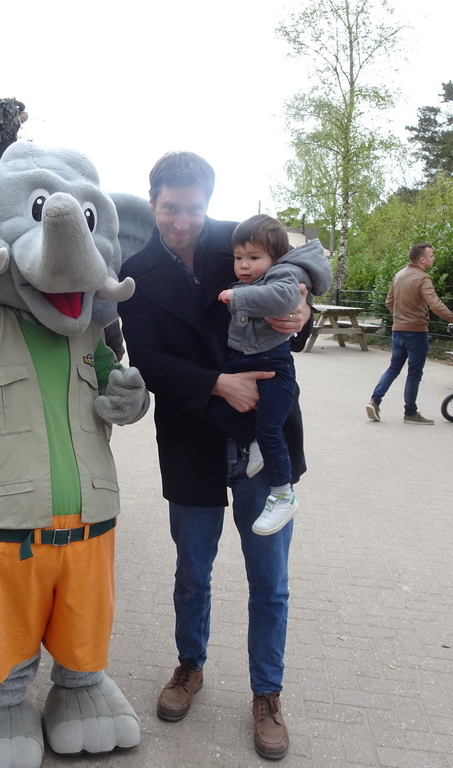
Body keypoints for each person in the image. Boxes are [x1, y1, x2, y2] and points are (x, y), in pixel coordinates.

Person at [118, 151, 312, 761]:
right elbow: (147, 358)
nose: (181, 222)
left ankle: (267, 694)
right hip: (193, 434)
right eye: (170, 209)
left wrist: (304, 309)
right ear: (153, 202)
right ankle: (189, 666)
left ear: (210, 201)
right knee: (191, 572)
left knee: (269, 582)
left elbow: (305, 263)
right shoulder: (137, 270)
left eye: (193, 209)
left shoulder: (239, 240)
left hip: (264, 435)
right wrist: (216, 384)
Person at [207, 214, 330, 536]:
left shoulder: (283, 274)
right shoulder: (259, 277)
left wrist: (238, 298)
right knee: (219, 410)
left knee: (273, 428)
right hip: (240, 366)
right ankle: (254, 439)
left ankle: (283, 495)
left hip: (274, 370)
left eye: (253, 258)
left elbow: (287, 297)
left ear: (274, 258)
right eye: (238, 258)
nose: (243, 266)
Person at [367, 243, 453, 425]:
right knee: (414, 373)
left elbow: (389, 302)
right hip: (416, 332)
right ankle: (410, 413)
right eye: (431, 256)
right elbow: (435, 305)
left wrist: (400, 319)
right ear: (422, 259)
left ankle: (375, 400)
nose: (433, 258)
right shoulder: (423, 278)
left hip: (398, 331)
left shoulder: (399, 275)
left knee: (393, 368)